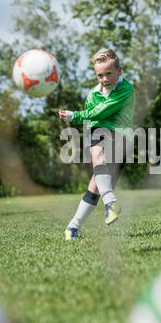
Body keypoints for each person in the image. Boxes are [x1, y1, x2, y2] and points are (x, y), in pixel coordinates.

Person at [59, 48, 135, 240]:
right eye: (100, 75)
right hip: (100, 132)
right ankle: (78, 225)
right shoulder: (93, 93)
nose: (104, 79)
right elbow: (92, 120)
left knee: (95, 187)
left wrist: (73, 115)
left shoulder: (126, 89)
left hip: (122, 137)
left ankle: (76, 225)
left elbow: (101, 112)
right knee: (97, 154)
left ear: (119, 70)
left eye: (109, 73)